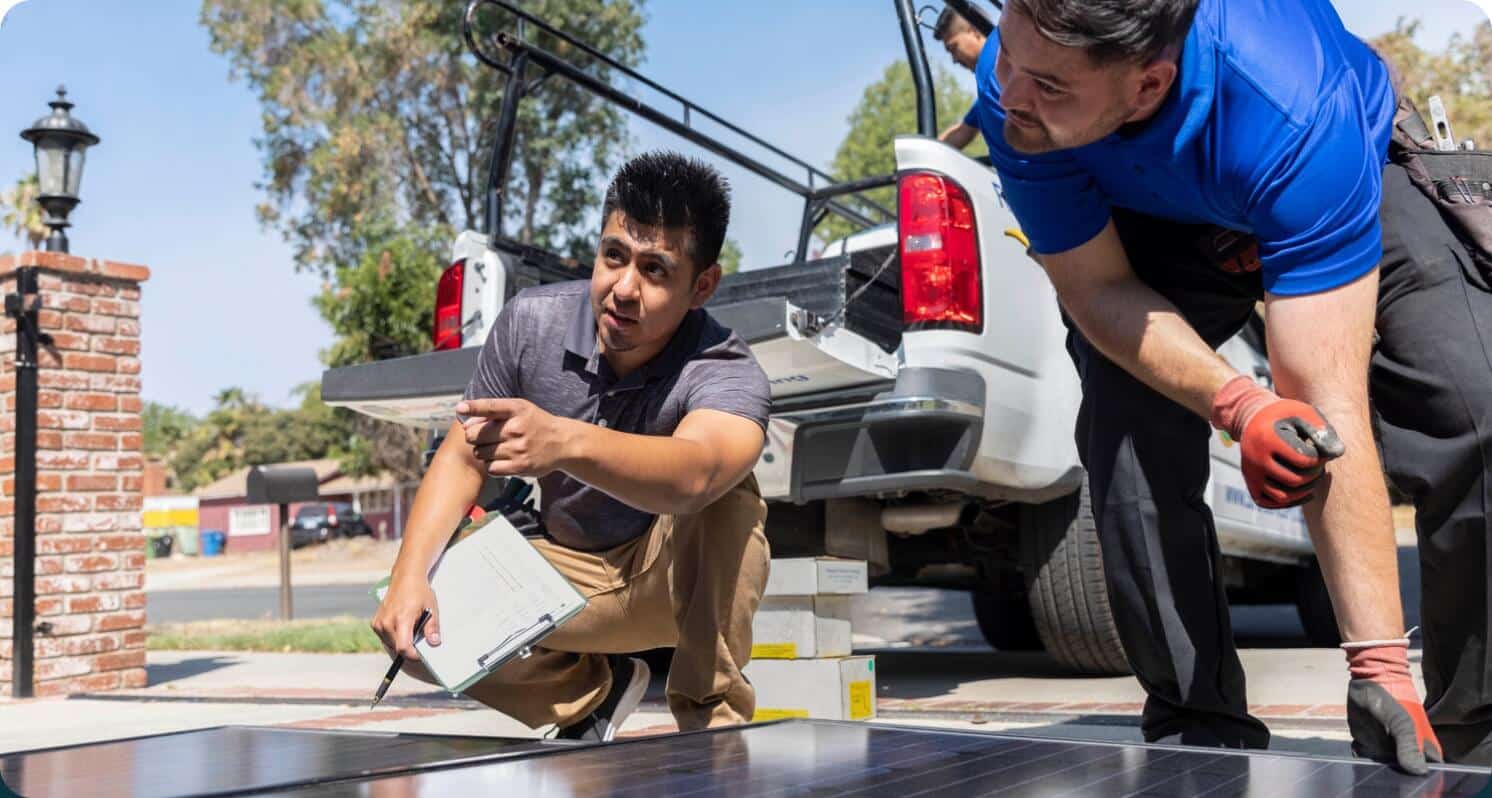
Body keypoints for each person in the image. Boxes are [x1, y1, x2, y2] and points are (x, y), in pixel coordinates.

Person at [963, 0, 1492, 774]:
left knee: (1473, 402)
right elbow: (1098, 287)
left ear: (1150, 85)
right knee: (1127, 421)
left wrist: (1375, 666)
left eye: (1047, 83)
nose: (1009, 94)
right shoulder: (1019, 91)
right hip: (1151, 210)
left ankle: (1468, 721)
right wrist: (1240, 406)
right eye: (1008, 59)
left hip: (1335, 169)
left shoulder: (1295, 107)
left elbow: (1323, 395)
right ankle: (1196, 725)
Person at [371, 151, 772, 742]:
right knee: (408, 618)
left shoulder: (727, 368)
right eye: (614, 257)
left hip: (668, 579)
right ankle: (585, 701)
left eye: (656, 271)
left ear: (702, 286)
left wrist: (564, 442)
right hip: (568, 581)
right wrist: (409, 574)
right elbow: (461, 455)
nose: (624, 289)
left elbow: (699, 474)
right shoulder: (529, 324)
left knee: (727, 496)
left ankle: (710, 723)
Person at [933, 7, 987, 150]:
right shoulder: (989, 93)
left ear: (974, 31)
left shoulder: (1016, 65)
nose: (954, 60)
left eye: (953, 48)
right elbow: (962, 132)